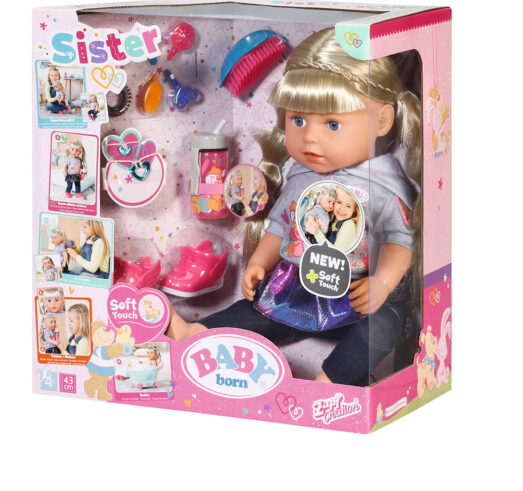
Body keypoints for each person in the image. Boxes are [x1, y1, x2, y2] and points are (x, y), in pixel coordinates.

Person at [167, 27, 421, 386]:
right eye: (298, 120)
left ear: (381, 121)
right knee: (258, 308)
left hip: (360, 296)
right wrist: (260, 262)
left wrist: (381, 282)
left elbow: (399, 240)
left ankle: (329, 384)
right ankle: (197, 334)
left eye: (332, 123)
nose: (309, 137)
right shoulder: (301, 174)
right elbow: (281, 225)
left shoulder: (383, 182)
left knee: (380, 329)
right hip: (302, 291)